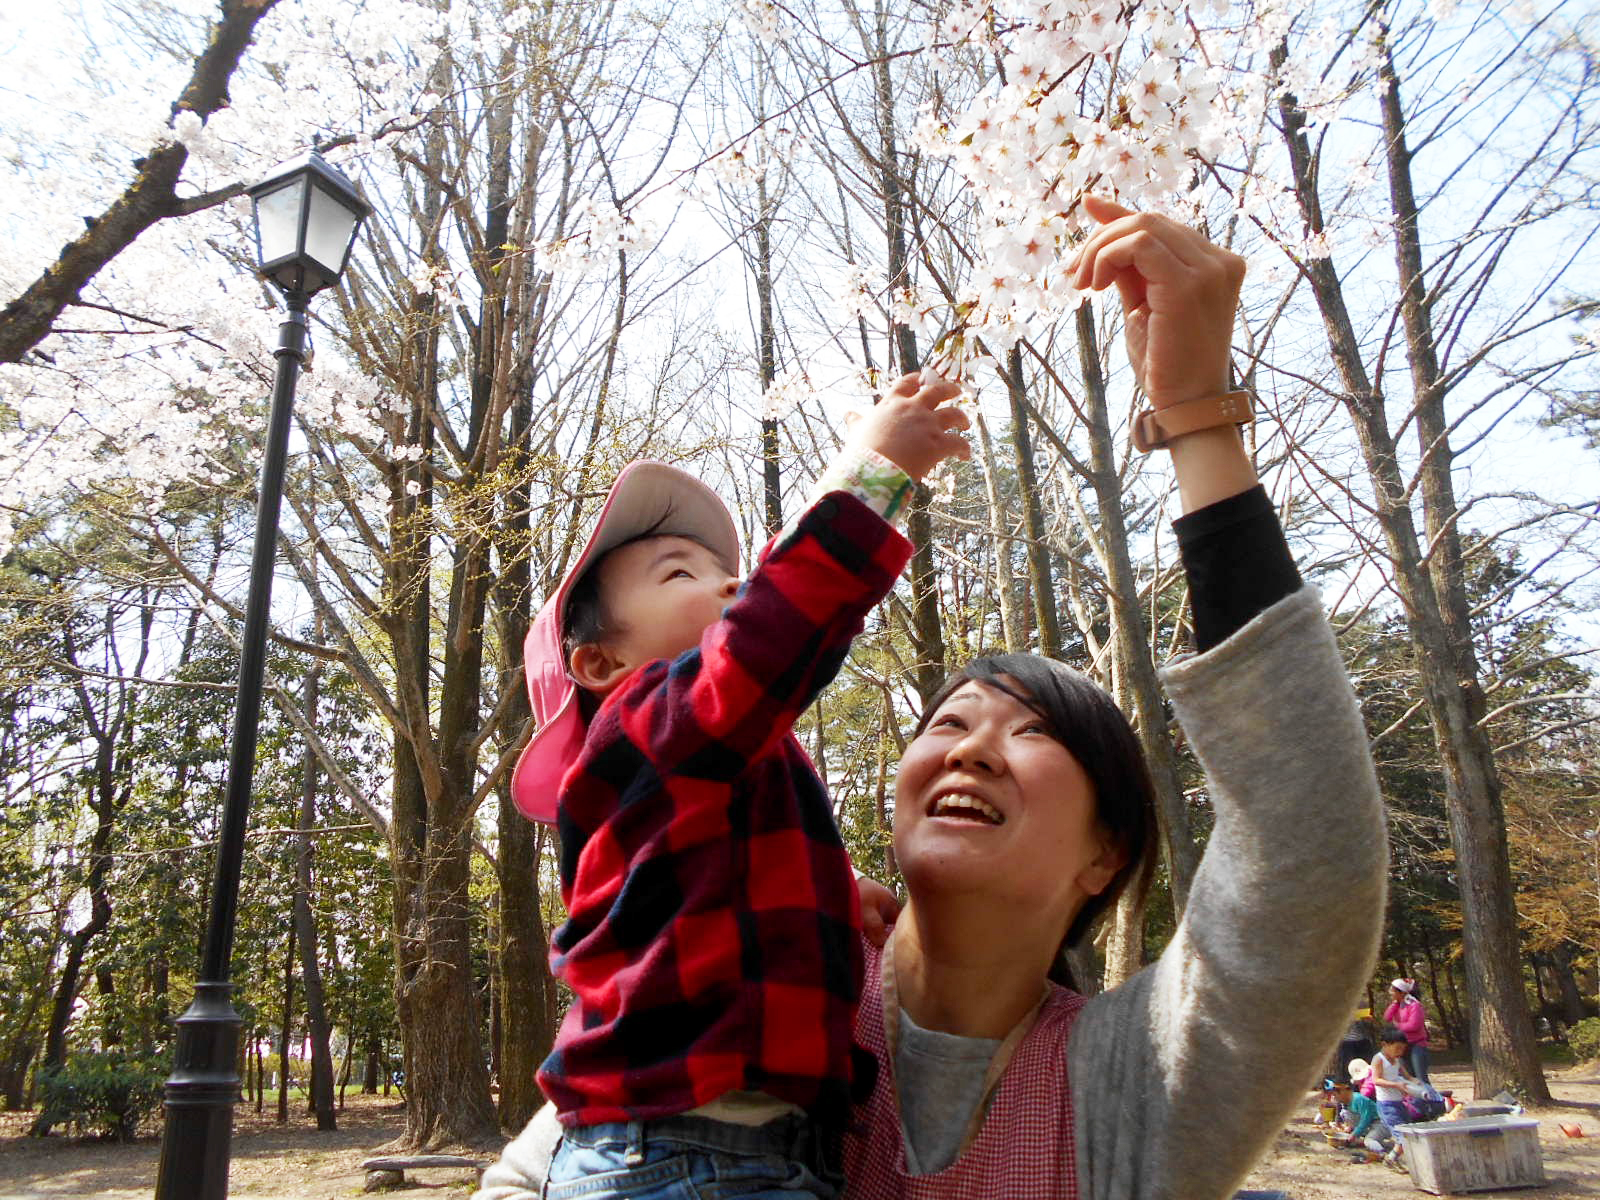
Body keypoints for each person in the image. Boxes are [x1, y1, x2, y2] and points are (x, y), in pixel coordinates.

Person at [477, 195, 1387, 1200]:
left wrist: (1197, 417)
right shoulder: (694, 1013)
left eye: (1034, 732)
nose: (972, 747)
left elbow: (1309, 850)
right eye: (946, 722)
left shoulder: (1133, 1078)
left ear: (1108, 852)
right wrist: (870, 479)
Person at [500, 371, 971, 1200]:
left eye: (729, 571)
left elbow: (707, 886)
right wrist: (870, 478)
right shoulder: (646, 716)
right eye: (681, 575)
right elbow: (769, 634)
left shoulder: (705, 760)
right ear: (601, 665)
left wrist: (834, 893)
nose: (727, 584)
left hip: (736, 1149)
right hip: (684, 1152)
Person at [1371, 1027, 1417, 1134]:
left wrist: (1414, 1084)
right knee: (1399, 1133)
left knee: (1407, 1130)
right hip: (1386, 1103)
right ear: (1384, 1045)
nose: (1400, 1052)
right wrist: (1396, 1085)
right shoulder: (1378, 1059)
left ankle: (1397, 1151)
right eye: (1397, 1048)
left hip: (1399, 1102)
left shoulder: (1396, 1059)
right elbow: (1376, 1080)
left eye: (1403, 1049)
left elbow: (1407, 1076)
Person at [1385, 977, 1431, 1082]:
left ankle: (1430, 1097)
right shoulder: (1397, 1005)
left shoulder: (1414, 1005)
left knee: (1421, 1078)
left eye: (1393, 990)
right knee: (1408, 1077)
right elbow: (1387, 1017)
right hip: (1402, 1046)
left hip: (1417, 1045)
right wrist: (1394, 1004)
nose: (1390, 993)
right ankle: (1413, 1098)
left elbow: (1414, 1025)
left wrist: (1398, 1025)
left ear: (1401, 993)